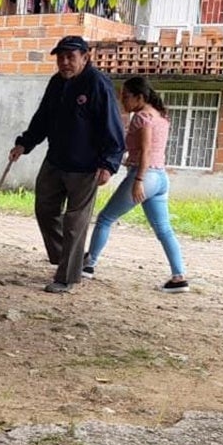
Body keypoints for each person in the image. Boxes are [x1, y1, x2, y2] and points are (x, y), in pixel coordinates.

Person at [9, 35, 125, 293]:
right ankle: (71, 257)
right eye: (60, 57)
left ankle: (67, 277)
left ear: (85, 57)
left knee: (75, 222)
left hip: (86, 167)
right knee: (45, 209)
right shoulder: (56, 83)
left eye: (70, 57)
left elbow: (113, 128)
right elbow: (42, 118)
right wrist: (25, 143)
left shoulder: (98, 85)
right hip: (56, 160)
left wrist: (109, 163)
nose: (64, 62)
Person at [84, 76, 189, 293]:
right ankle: (179, 277)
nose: (123, 101)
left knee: (105, 218)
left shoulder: (141, 117)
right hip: (160, 177)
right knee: (164, 229)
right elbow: (144, 151)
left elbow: (146, 151)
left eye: (126, 96)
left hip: (145, 175)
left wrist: (139, 180)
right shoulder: (161, 116)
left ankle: (88, 265)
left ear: (139, 97)